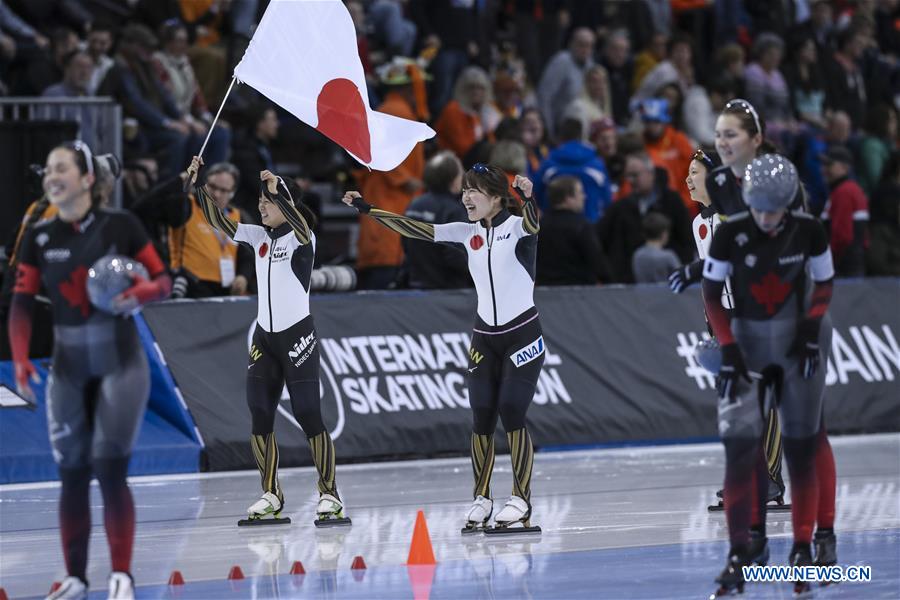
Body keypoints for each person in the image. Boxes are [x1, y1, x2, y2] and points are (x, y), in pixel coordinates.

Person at [8, 141, 172, 599]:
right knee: (73, 473)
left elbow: (164, 281)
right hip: (67, 370)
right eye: (49, 171)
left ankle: (122, 576)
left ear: (87, 179)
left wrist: (140, 294)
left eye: (62, 169)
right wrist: (20, 358)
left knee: (109, 466)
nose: (52, 177)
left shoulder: (122, 226)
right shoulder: (41, 237)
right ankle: (76, 578)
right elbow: (21, 304)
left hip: (121, 366)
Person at [342, 164, 543, 534]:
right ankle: (482, 497)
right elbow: (413, 228)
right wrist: (367, 209)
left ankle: (521, 499)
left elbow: (532, 222)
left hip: (522, 335)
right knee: (482, 416)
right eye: (464, 189)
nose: (466, 196)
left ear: (497, 197)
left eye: (475, 190)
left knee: (512, 409)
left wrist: (528, 198)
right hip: (484, 337)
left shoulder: (517, 227)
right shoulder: (466, 233)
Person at [186, 155, 348, 527]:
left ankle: (330, 493)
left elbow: (301, 223)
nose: (260, 205)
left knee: (309, 414)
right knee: (260, 413)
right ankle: (271, 493)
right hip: (265, 338)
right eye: (259, 200)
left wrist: (281, 193)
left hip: (297, 336)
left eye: (267, 200)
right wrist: (199, 186)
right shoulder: (258, 236)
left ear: (286, 203)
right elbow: (219, 221)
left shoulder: (302, 238)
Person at [704, 155, 837, 597]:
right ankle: (740, 550)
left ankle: (802, 545)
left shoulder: (810, 230)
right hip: (748, 343)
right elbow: (711, 292)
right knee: (740, 449)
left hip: (795, 343)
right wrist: (727, 348)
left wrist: (810, 331)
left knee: (800, 446)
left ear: (789, 204)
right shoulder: (727, 233)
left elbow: (823, 284)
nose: (764, 218)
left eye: (773, 210)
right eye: (757, 209)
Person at [705, 98, 791, 508]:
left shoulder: (761, 192)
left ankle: (770, 479)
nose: (689, 183)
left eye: (694, 176)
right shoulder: (702, 215)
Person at [597, 152, 692, 283]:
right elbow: (602, 240)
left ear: (650, 173)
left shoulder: (672, 201)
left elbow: (686, 238)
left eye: (635, 175)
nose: (630, 181)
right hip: (629, 286)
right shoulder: (620, 207)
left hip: (668, 282)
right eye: (627, 176)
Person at [402, 151, 470, 289]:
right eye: (460, 172)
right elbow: (457, 257)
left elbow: (405, 244)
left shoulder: (415, 204)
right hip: (448, 292)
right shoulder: (453, 211)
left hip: (417, 286)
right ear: (453, 180)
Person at [536, 175, 610, 285]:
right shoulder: (581, 226)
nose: (584, 197)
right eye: (580, 193)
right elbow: (597, 263)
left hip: (544, 293)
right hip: (578, 294)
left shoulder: (538, 226)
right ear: (568, 198)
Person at [819, 146, 869, 277]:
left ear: (845, 167)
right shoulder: (849, 189)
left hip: (844, 269)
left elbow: (842, 236)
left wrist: (827, 263)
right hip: (852, 265)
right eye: (823, 165)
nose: (823, 169)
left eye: (829, 165)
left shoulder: (844, 192)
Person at [632, 212, 680, 283]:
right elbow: (680, 277)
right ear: (664, 234)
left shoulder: (637, 255)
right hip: (665, 293)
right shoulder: (668, 256)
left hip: (643, 293)